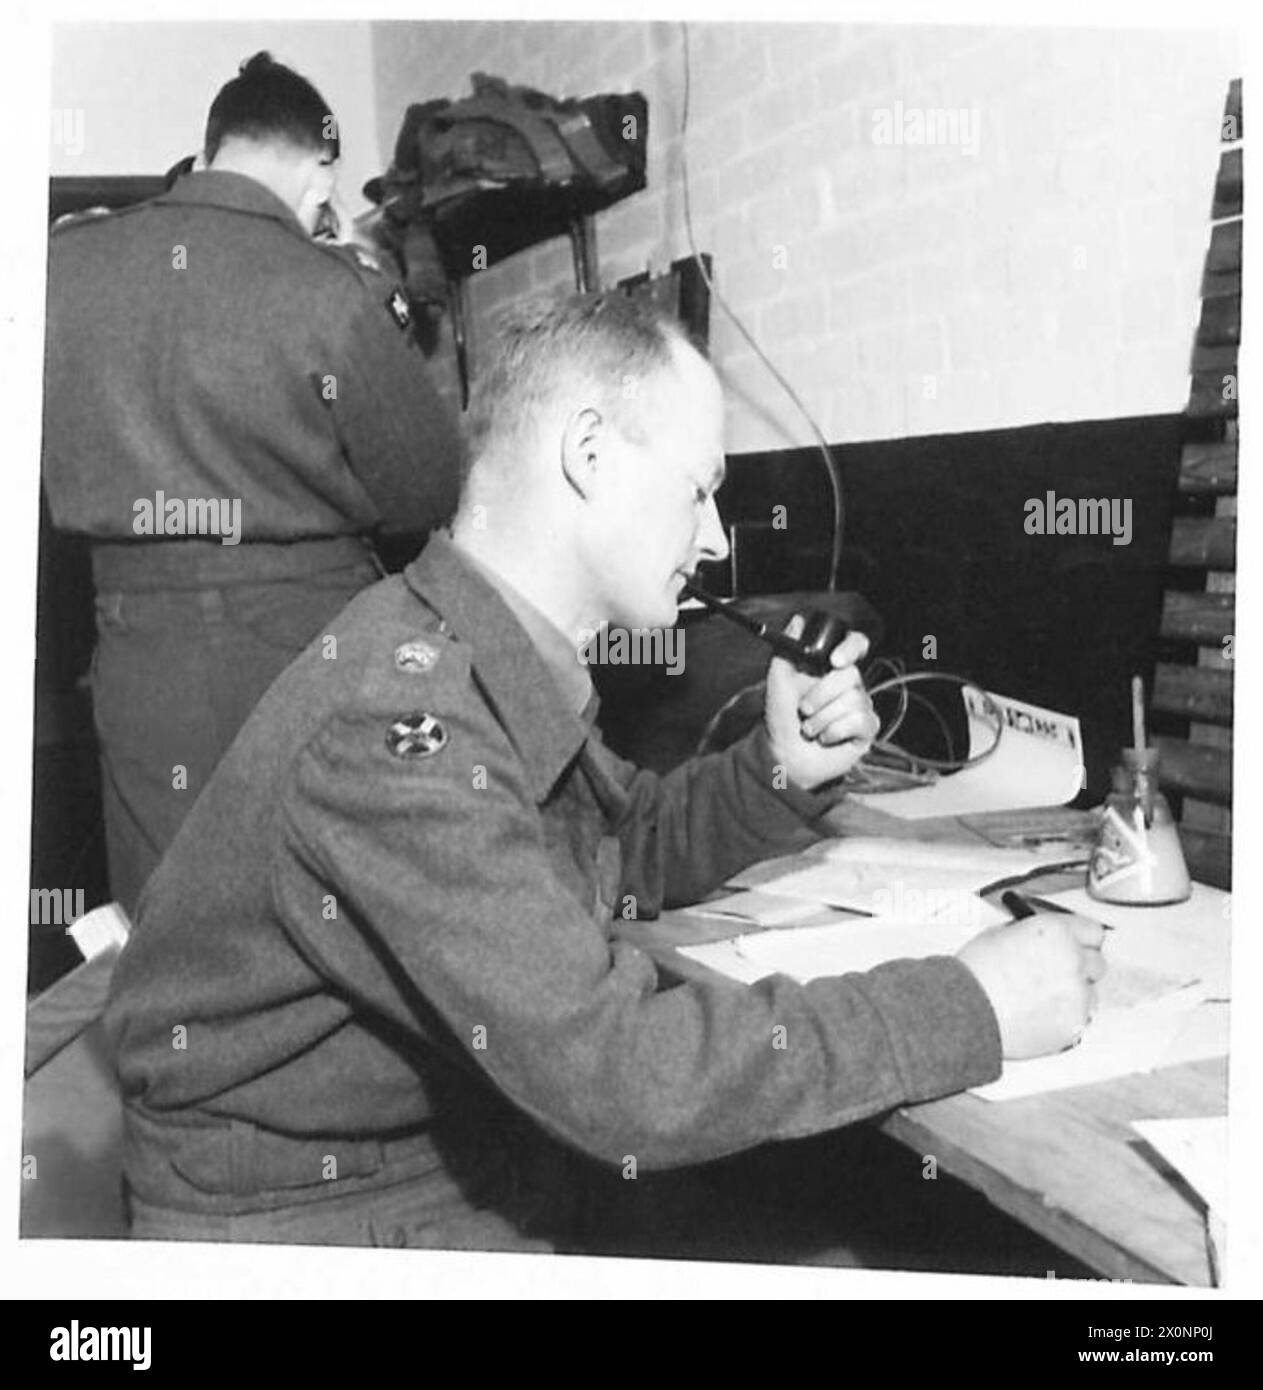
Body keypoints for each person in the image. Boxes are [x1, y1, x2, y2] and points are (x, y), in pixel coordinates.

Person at [104, 292, 1105, 1253]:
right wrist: (967, 1008)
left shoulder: (472, 646)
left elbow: (614, 852)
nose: (715, 537)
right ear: (587, 454)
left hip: (429, 1153)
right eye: (701, 488)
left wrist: (776, 775)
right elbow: (624, 1076)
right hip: (316, 1220)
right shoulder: (400, 725)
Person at [41, 52, 463, 912]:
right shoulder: (326, 286)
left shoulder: (59, 272)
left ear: (210, 149)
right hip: (305, 642)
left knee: (171, 925)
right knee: (315, 911)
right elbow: (426, 490)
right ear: (318, 163)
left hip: (133, 649)